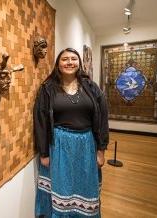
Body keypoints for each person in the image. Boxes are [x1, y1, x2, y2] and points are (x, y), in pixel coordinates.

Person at [33, 48, 109, 217]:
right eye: (64, 59)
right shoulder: (48, 88)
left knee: (85, 185)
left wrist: (101, 150)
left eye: (73, 59)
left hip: (87, 144)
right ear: (58, 64)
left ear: (79, 63)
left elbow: (103, 119)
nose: (69, 62)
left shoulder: (91, 87)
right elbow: (41, 120)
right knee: (62, 188)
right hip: (59, 145)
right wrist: (44, 153)